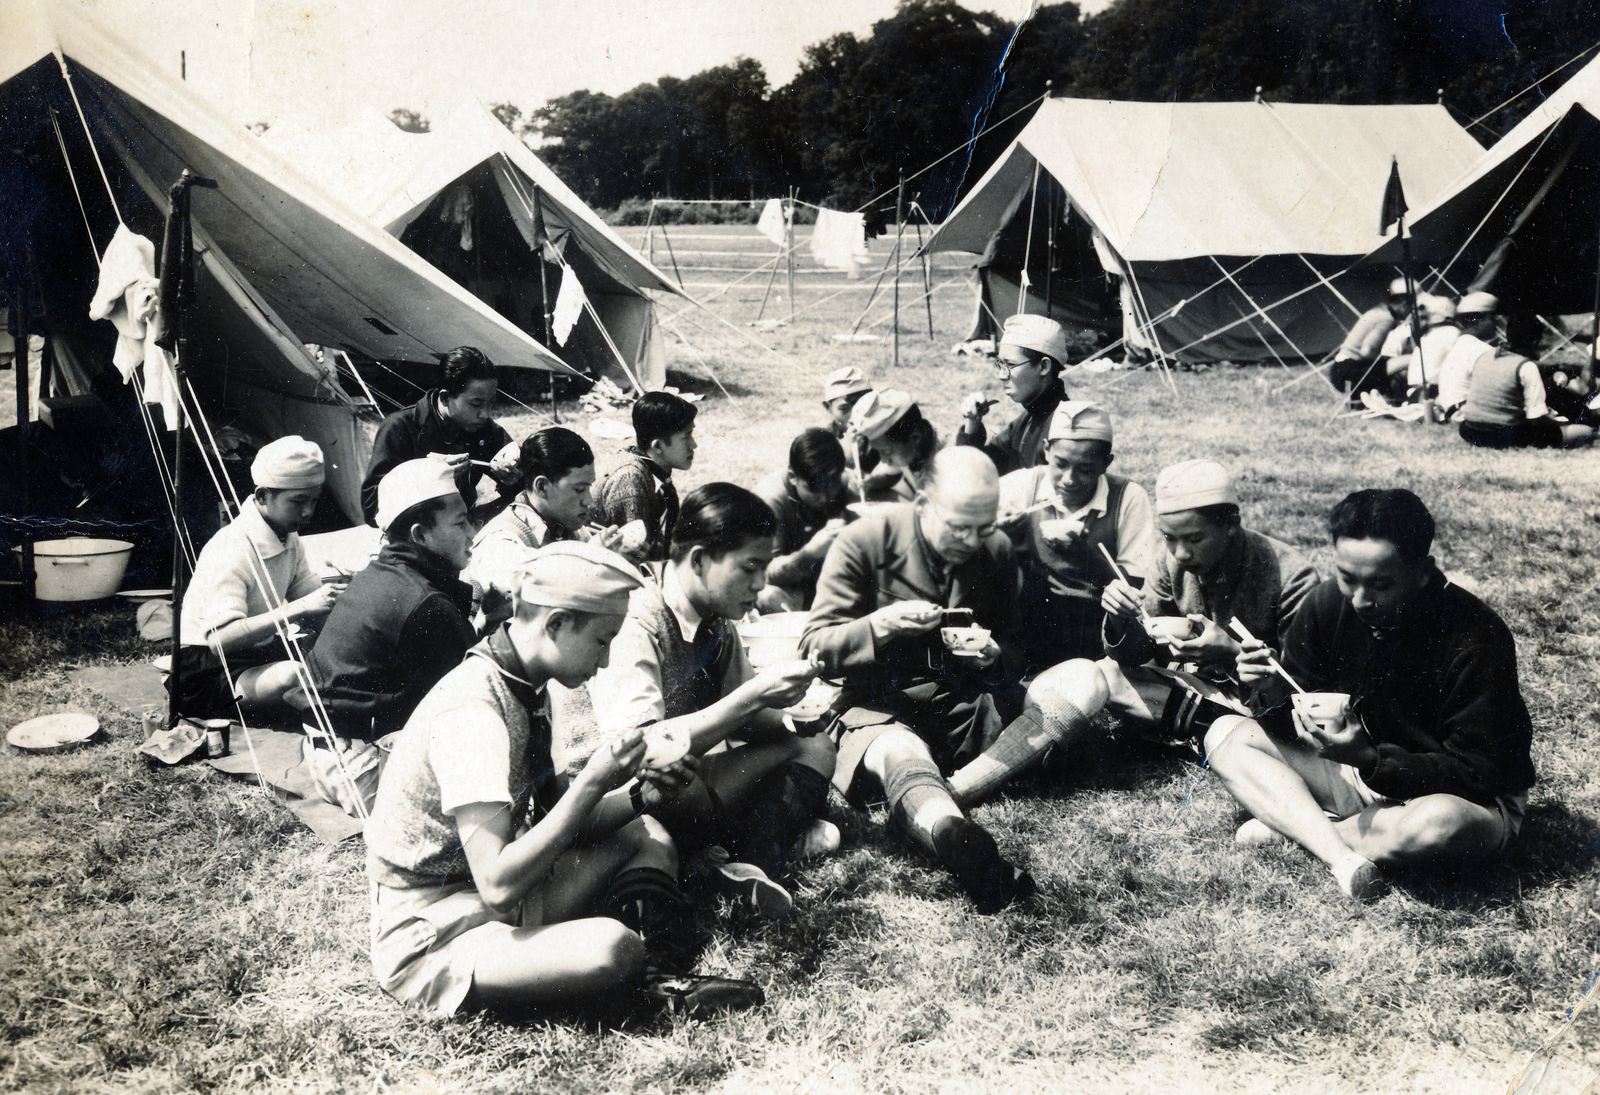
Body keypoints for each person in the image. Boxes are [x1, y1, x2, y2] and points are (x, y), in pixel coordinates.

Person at [365, 541, 766, 1019]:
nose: (604, 662)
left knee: (646, 832)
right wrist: (593, 783)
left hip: (492, 898)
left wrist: (641, 794)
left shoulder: (527, 687)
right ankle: (636, 976)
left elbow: (567, 822)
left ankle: (659, 979)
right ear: (555, 623)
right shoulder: (472, 714)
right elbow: (497, 885)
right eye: (602, 641)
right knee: (610, 948)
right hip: (435, 931)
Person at [1202, 489, 1537, 902]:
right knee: (1225, 734)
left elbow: (1480, 774)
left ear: (1422, 571)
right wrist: (1267, 686)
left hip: (1457, 797)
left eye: (1380, 583)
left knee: (1439, 825)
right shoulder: (1326, 604)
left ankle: (1300, 829)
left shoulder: (1475, 636)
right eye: (1347, 577)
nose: (1360, 600)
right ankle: (1343, 849)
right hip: (1358, 773)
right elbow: (1294, 714)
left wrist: (1371, 760)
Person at [956, 461, 1321, 805]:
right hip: (1199, 696)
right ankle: (970, 782)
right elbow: (1139, 656)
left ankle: (1203, 732)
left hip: (1267, 715)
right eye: (1169, 538)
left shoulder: (1292, 577)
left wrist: (1230, 653)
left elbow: (1306, 696)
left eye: (1194, 539)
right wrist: (1120, 620)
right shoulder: (1169, 560)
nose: (1180, 553)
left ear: (1231, 524)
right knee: (1102, 674)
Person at [801, 448, 1059, 914]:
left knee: (1073, 692)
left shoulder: (996, 549)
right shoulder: (865, 541)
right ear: (922, 504)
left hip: (965, 707)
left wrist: (994, 653)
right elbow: (815, 647)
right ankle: (952, 834)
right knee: (898, 751)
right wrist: (880, 624)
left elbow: (1018, 645)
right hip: (879, 707)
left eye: (984, 526)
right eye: (959, 526)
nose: (972, 539)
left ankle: (944, 791)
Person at [587, 484, 839, 910]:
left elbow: (748, 720)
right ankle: (751, 848)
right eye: (750, 568)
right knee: (676, 782)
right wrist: (754, 695)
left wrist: (797, 714)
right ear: (700, 559)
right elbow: (643, 751)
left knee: (813, 744)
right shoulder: (636, 619)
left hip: (695, 780)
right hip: (626, 798)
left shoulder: (715, 618)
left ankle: (746, 861)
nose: (761, 584)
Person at [289, 459, 479, 814]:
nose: (472, 532)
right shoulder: (423, 601)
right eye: (460, 523)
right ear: (420, 535)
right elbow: (476, 687)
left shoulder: (382, 570)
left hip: (329, 756)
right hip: (366, 773)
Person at [175, 436, 344, 719]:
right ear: (263, 496)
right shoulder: (231, 547)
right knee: (294, 678)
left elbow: (311, 596)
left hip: (257, 651)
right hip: (206, 670)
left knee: (338, 661)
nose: (308, 512)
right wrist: (300, 608)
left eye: (314, 501)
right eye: (298, 501)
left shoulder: (289, 537)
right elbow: (221, 640)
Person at [995, 401, 1155, 669]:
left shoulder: (1127, 498)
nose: (1069, 479)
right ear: (1046, 450)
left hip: (1096, 630)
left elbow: (1132, 587)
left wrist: (1088, 559)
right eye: (1060, 464)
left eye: (1085, 469)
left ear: (1106, 463)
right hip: (1029, 624)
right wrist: (1002, 535)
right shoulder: (1022, 486)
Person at [464, 427, 623, 626]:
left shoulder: (568, 526)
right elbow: (536, 619)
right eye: (579, 489)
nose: (588, 500)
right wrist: (591, 565)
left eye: (589, 488)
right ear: (542, 487)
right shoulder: (501, 545)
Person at [359, 346, 521, 526]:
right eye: (476, 404)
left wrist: (514, 475)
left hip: (463, 526)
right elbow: (371, 507)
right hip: (416, 535)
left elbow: (526, 482)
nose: (485, 414)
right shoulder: (400, 428)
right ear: (445, 398)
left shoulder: (482, 427)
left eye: (490, 403)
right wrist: (430, 475)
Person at [957, 313, 1070, 474]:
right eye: (1000, 364)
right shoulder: (1028, 419)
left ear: (1044, 367)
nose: (1001, 375)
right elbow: (977, 469)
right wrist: (972, 422)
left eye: (1010, 365)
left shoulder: (1063, 429)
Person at [593, 390, 698, 562]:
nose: (693, 445)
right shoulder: (630, 479)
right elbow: (634, 556)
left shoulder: (652, 468)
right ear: (657, 446)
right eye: (686, 437)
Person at [754, 428, 850, 612]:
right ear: (792, 477)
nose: (825, 497)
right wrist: (810, 553)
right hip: (789, 587)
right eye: (815, 488)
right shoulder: (770, 500)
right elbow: (762, 573)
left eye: (833, 486)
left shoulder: (843, 481)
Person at [1457, 345, 1600, 448]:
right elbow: (1537, 420)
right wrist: (1561, 425)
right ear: (1535, 340)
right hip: (1504, 434)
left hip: (1470, 430)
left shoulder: (1485, 356)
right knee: (1586, 431)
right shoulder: (1526, 366)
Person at [847, 389, 939, 503]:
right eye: (878, 452)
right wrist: (872, 482)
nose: (884, 461)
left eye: (886, 452)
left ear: (915, 438)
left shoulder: (944, 459)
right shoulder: (909, 449)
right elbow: (892, 475)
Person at [1329, 278, 1408, 404]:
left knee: (1392, 364)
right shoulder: (1386, 319)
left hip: (1341, 368)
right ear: (1403, 302)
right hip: (1348, 370)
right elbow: (1367, 351)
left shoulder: (1379, 310)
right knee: (1406, 360)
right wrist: (1387, 361)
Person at [1436, 291, 1500, 420]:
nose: (1496, 324)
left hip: (1454, 410)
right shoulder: (1481, 348)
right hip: (1467, 413)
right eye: (1493, 318)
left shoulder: (1462, 343)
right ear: (1480, 319)